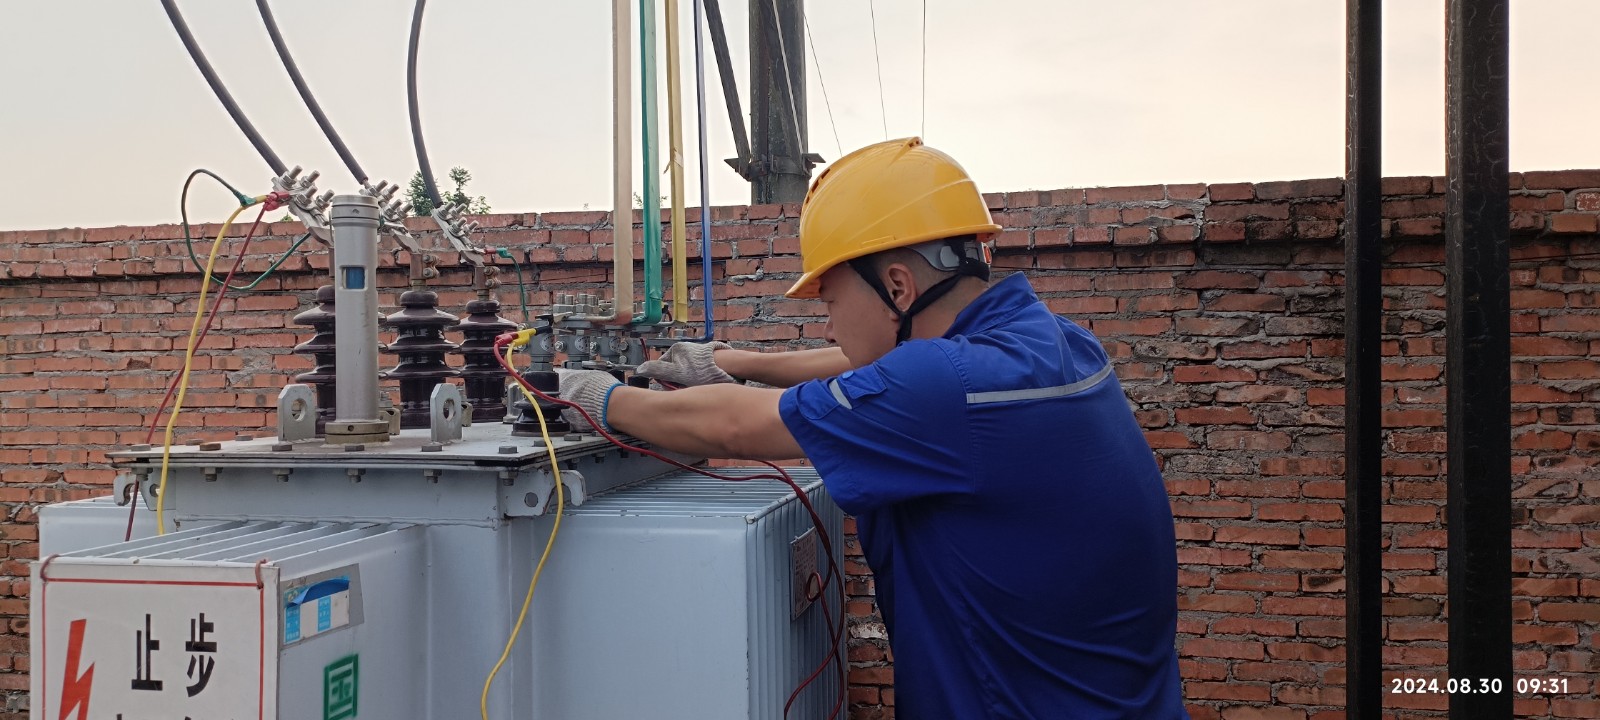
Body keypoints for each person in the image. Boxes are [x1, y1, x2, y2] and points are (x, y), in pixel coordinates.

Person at [557, 138, 1188, 719]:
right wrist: (735, 362)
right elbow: (879, 367)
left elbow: (732, 426)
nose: (829, 324)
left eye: (830, 301)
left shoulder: (946, 390)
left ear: (897, 286)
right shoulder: (1055, 343)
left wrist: (595, 396)